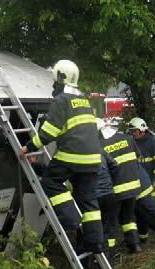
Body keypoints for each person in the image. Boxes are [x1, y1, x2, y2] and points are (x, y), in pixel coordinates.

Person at [19, 60, 104, 253]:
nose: (53, 84)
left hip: (74, 156)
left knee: (50, 181)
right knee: (88, 198)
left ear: (60, 78)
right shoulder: (83, 99)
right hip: (93, 158)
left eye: (54, 80)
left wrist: (28, 147)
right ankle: (95, 242)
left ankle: (72, 220)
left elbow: (49, 132)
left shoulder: (61, 100)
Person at [96, 118, 142, 253]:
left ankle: (110, 253)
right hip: (133, 187)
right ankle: (134, 245)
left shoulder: (100, 145)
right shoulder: (127, 138)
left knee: (110, 223)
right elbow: (137, 157)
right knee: (128, 218)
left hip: (115, 190)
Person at [128, 117, 155, 198]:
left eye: (134, 131)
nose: (133, 133)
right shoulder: (132, 142)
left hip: (150, 181)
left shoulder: (152, 141)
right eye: (131, 131)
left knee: (151, 206)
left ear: (142, 130)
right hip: (137, 182)